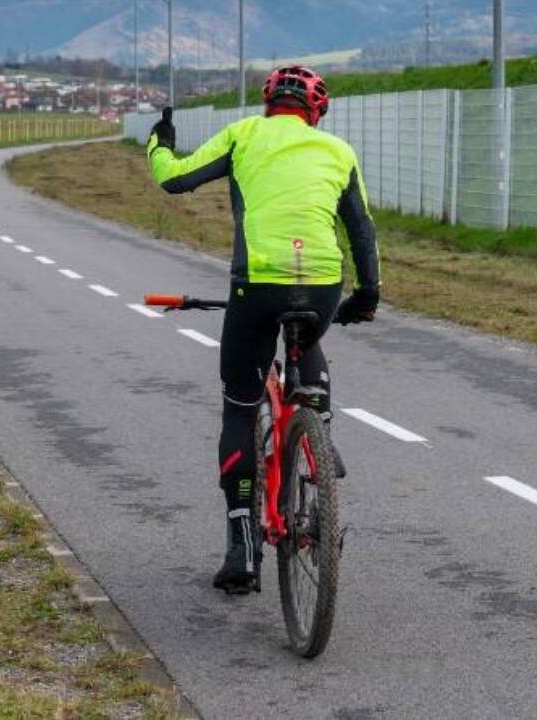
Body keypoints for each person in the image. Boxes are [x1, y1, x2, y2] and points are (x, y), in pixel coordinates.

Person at [145, 66, 380, 595]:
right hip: (321, 282)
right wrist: (366, 297)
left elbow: (174, 178)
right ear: (317, 111)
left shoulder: (244, 135)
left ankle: (242, 548)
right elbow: (362, 230)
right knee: (309, 342)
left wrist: (159, 143)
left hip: (257, 283)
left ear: (269, 103)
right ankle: (317, 424)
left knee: (241, 404)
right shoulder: (338, 152)